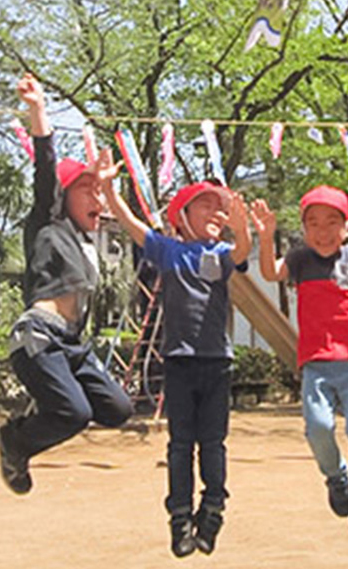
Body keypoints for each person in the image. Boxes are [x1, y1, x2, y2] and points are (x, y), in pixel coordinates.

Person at [102, 164, 251, 558]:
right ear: (182, 217)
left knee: (214, 443)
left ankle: (214, 508)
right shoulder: (170, 250)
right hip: (179, 363)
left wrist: (244, 228)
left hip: (217, 362)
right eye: (206, 207)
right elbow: (132, 225)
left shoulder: (221, 254)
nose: (216, 214)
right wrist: (108, 189)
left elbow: (242, 253)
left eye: (221, 210)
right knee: (180, 444)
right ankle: (180, 518)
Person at [0, 75, 132, 497]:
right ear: (62, 196)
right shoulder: (48, 223)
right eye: (87, 191)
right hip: (39, 336)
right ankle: (14, 441)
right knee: (73, 414)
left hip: (73, 345)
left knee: (117, 409)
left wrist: (104, 185)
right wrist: (39, 111)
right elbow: (45, 166)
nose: (98, 200)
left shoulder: (84, 242)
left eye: (100, 194)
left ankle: (44, 403)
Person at [250, 185, 348, 531]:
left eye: (333, 222)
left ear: (347, 228)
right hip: (315, 362)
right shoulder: (300, 258)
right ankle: (336, 477)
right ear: (304, 230)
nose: (323, 232)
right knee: (318, 428)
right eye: (313, 223)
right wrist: (266, 237)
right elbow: (271, 273)